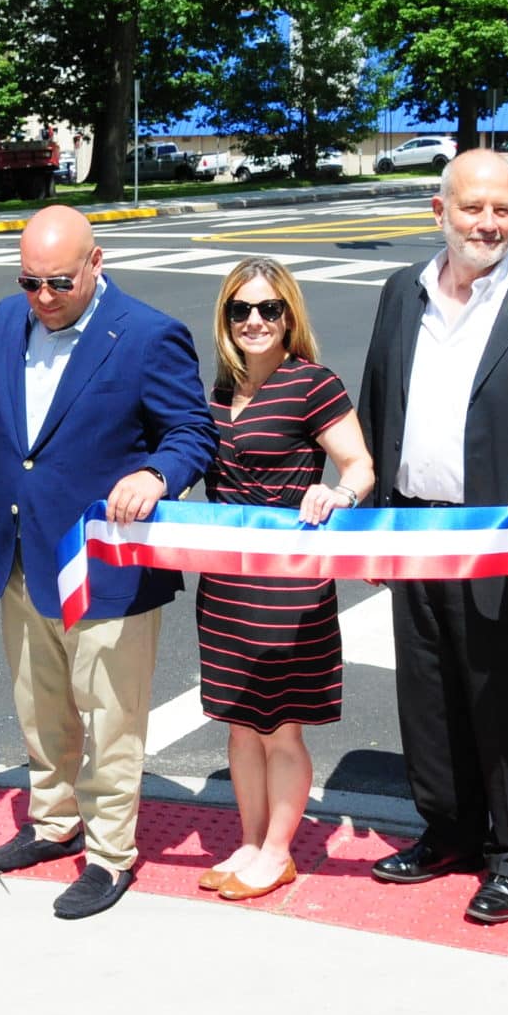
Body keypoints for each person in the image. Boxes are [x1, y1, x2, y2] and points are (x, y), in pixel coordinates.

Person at [0, 206, 215, 919]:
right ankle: (54, 822)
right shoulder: (13, 320)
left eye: (59, 284)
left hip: (107, 564)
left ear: (96, 263)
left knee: (112, 718)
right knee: (42, 711)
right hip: (23, 552)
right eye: (31, 282)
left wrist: (158, 476)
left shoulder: (146, 336)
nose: (43, 298)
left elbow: (192, 430)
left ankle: (110, 853)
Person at [355, 148, 508, 927]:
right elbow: (377, 410)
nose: (489, 223)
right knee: (428, 697)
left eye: (503, 209)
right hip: (417, 526)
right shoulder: (404, 294)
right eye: (473, 208)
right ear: (440, 212)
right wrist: (369, 522)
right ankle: (450, 831)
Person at [192, 257, 374, 900]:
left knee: (282, 726)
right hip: (225, 584)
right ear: (226, 320)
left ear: (289, 316)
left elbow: (358, 466)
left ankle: (278, 851)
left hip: (289, 585)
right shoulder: (215, 392)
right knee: (240, 722)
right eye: (241, 310)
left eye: (269, 309)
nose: (255, 321)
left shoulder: (312, 384)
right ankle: (249, 840)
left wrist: (338, 496)